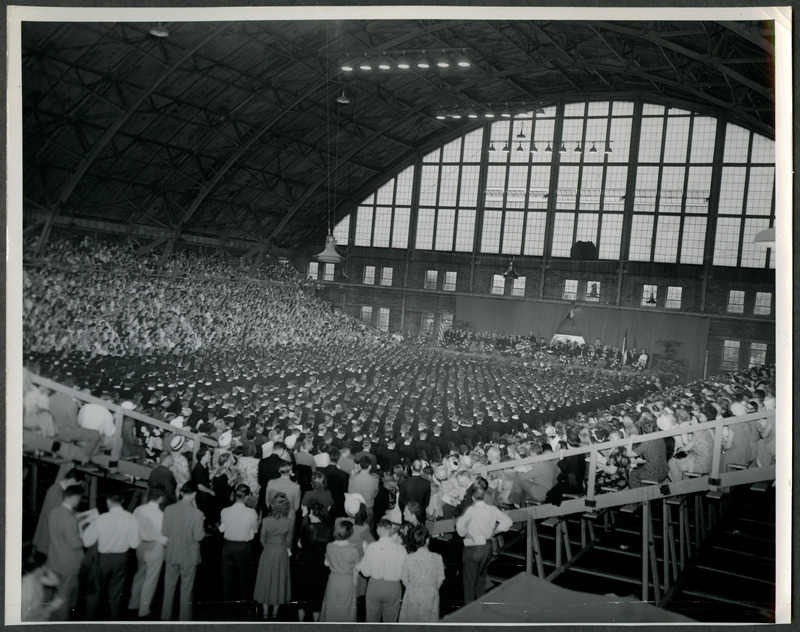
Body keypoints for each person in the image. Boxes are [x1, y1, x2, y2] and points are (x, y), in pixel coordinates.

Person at [81, 492, 141, 620]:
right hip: (121, 559)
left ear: (108, 501)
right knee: (116, 593)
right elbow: (135, 544)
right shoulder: (131, 518)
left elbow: (87, 542)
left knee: (94, 592)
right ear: (123, 501)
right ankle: (114, 620)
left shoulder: (102, 518)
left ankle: (88, 620)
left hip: (102, 559)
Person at [455, 485, 512, 603]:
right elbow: (508, 521)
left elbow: (460, 529)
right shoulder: (492, 509)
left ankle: (469, 611)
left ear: (473, 497)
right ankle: (480, 607)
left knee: (469, 582)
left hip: (472, 546)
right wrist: (495, 532)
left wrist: (466, 533)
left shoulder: (470, 510)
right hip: (487, 546)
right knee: (481, 579)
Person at [161, 481, 206, 621]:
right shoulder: (197, 514)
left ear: (181, 493)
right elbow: (199, 536)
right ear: (194, 494)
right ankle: (184, 621)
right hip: (189, 556)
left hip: (172, 553)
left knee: (168, 588)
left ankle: (165, 617)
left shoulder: (169, 509)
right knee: (186, 590)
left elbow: (164, 531)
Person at [44, 484, 85, 621]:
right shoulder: (70, 520)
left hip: (55, 559)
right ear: (74, 498)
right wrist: (84, 537)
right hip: (69, 563)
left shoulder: (55, 512)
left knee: (55, 592)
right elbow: (75, 544)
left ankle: (49, 617)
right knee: (64, 596)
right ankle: (62, 622)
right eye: (79, 498)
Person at [219, 484, 259, 617]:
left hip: (228, 546)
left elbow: (222, 529)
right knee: (245, 579)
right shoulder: (251, 512)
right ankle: (247, 609)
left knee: (226, 580)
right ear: (247, 497)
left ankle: (226, 609)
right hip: (243, 548)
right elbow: (255, 531)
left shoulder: (225, 511)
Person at [357, 518, 408, 623]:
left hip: (374, 587)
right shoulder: (401, 549)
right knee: (390, 622)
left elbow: (365, 573)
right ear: (391, 530)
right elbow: (406, 574)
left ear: (378, 531)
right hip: (393, 588)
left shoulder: (372, 547)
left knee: (371, 621)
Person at [128, 487, 169, 618]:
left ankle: (132, 604)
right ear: (161, 499)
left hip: (140, 545)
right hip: (155, 546)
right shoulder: (161, 515)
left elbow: (133, 525)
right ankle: (144, 610)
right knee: (150, 579)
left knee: (139, 574)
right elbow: (163, 535)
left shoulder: (138, 509)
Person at [253, 492, 294, 620]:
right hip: (281, 552)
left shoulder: (265, 521)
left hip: (268, 552)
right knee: (279, 580)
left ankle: (265, 613)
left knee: (266, 580)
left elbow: (261, 540)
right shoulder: (289, 522)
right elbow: (289, 542)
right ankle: (275, 613)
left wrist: (269, 546)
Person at [32, 468, 84, 560]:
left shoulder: (57, 489)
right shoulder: (57, 493)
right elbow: (60, 517)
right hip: (47, 541)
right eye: (77, 485)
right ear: (72, 481)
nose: (77, 489)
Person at [399, 524, 445, 622]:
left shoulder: (409, 558)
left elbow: (404, 579)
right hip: (431, 593)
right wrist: (432, 587)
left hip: (412, 593)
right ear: (427, 540)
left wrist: (413, 587)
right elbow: (440, 578)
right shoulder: (437, 557)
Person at [295, 502, 332, 622]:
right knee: (317, 593)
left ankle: (300, 622)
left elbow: (300, 544)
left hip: (305, 564)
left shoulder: (306, 528)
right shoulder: (329, 529)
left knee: (302, 593)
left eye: (310, 513)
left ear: (315, 514)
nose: (309, 515)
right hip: (320, 566)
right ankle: (316, 623)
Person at [319, 520, 362, 622]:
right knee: (346, 610)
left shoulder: (329, 546)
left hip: (333, 580)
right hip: (347, 581)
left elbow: (327, 563)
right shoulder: (353, 549)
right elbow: (358, 565)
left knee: (331, 609)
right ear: (349, 533)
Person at [348, 456, 379, 526]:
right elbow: (375, 495)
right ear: (370, 466)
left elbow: (349, 492)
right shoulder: (375, 480)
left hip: (354, 508)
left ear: (360, 466)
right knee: (366, 532)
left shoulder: (352, 478)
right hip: (367, 509)